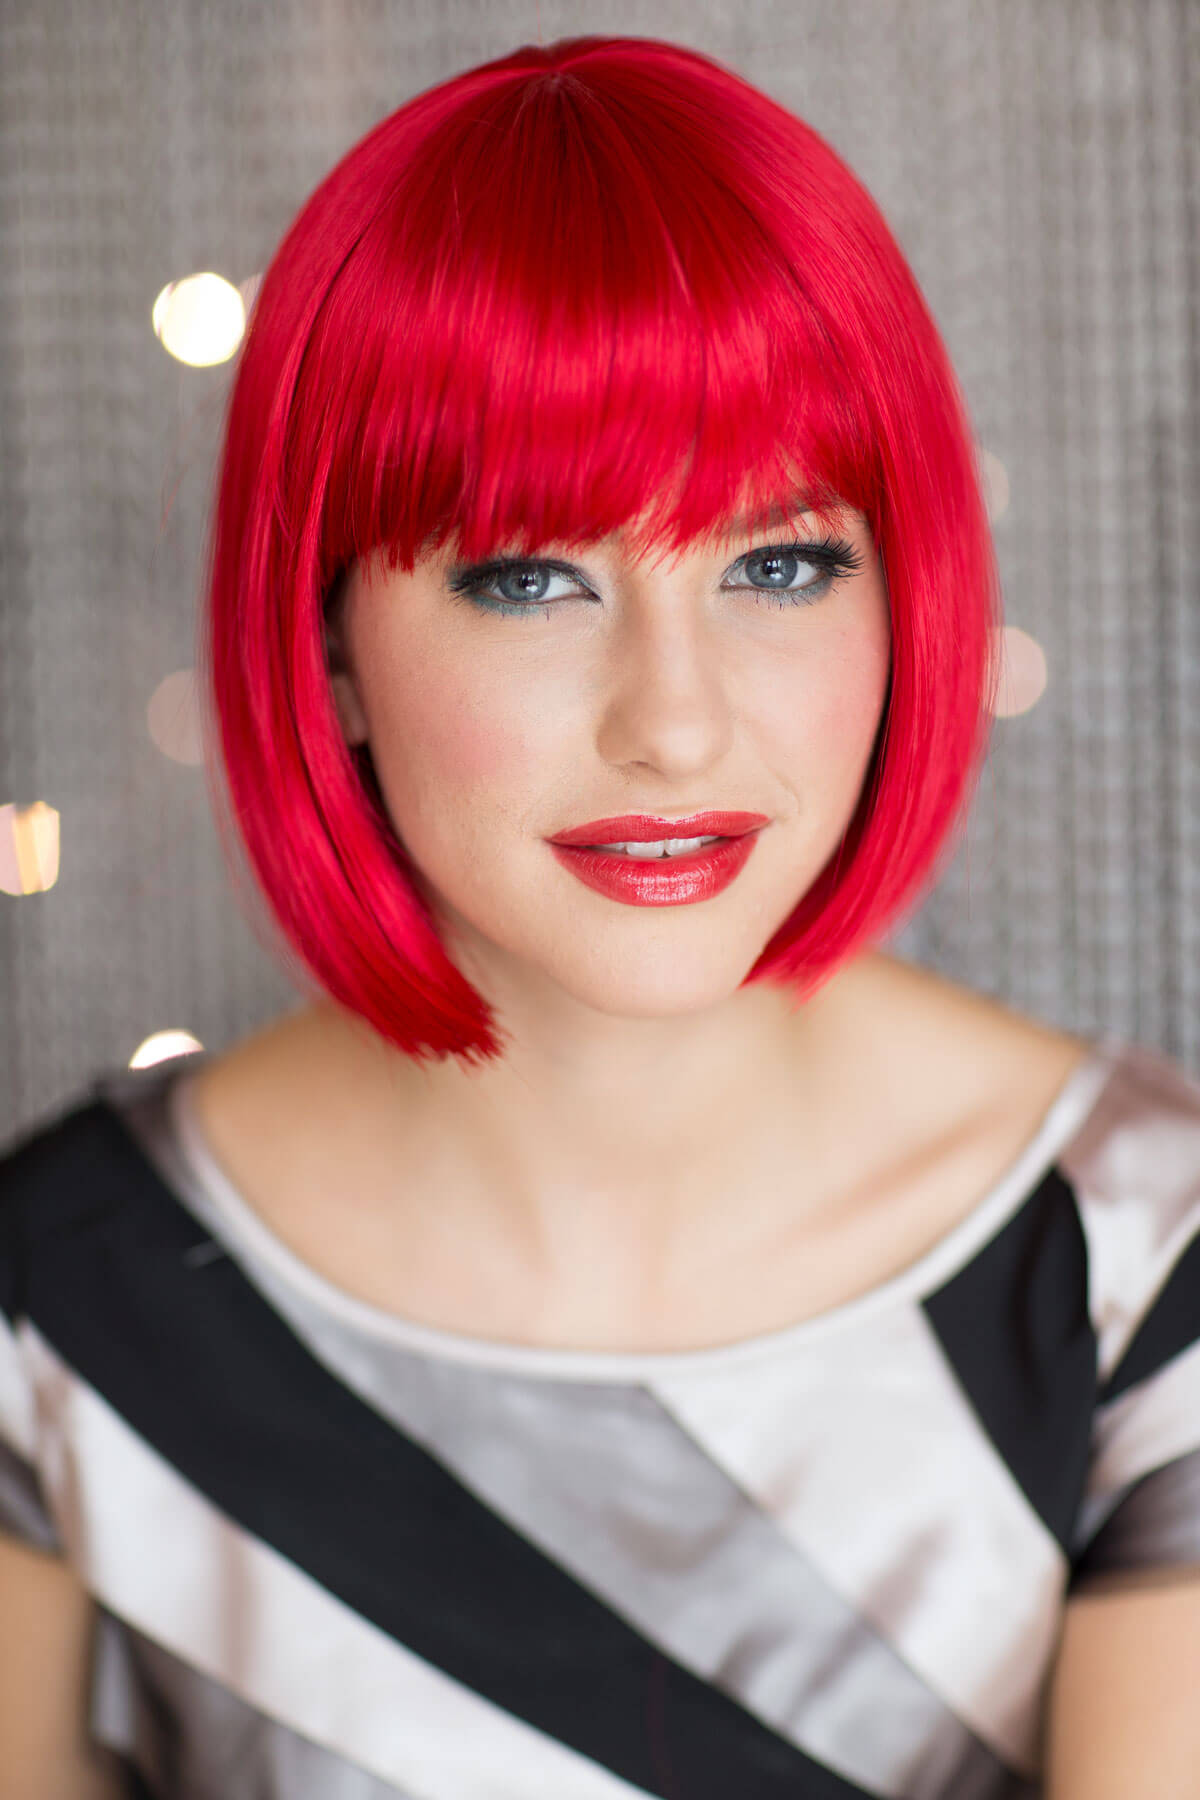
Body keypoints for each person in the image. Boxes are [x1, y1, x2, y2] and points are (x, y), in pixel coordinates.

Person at [1, 31, 1198, 1800]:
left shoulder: (1137, 1271)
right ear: (326, 636)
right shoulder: (55, 1312)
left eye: (780, 563)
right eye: (530, 574)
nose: (677, 720)